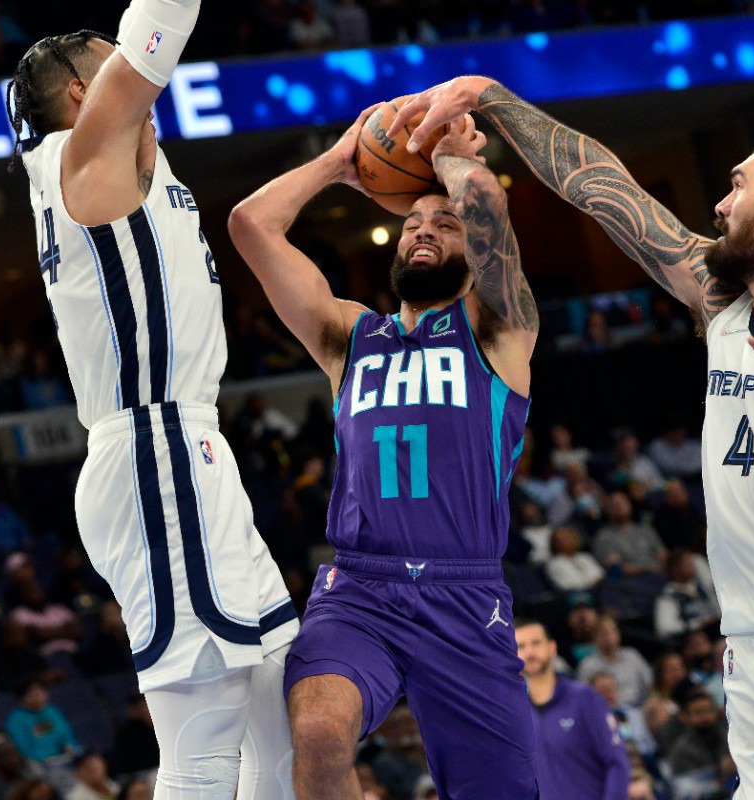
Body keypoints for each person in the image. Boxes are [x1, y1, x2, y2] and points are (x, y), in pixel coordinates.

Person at [394, 77, 754, 799]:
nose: (720, 204)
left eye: (738, 185)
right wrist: (493, 97)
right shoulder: (720, 299)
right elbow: (600, 186)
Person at [4, 3, 298, 797]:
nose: (142, 71)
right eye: (116, 58)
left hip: (190, 450)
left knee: (280, 714)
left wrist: (341, 159)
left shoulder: (135, 164)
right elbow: (157, 28)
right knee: (203, 745)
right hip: (152, 452)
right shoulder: (85, 155)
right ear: (79, 90)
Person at [229, 109, 540, 799]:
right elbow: (251, 225)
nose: (424, 228)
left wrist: (459, 160)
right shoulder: (350, 336)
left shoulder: (497, 332)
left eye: (445, 222)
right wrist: (340, 160)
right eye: (412, 221)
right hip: (361, 588)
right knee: (315, 732)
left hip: (465, 595)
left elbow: (492, 220)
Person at [514, 619, 629, 800]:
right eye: (521, 646)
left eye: (536, 643)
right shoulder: (515, 714)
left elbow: (616, 763)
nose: (529, 652)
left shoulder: (584, 698)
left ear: (552, 648)